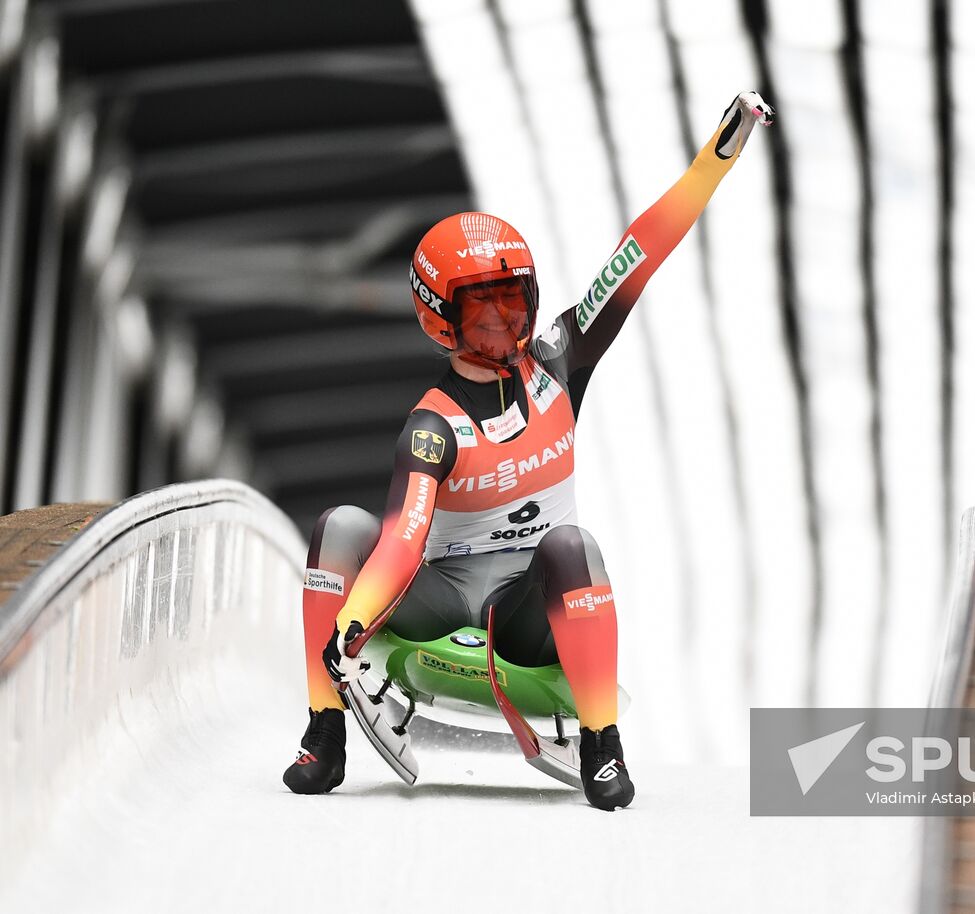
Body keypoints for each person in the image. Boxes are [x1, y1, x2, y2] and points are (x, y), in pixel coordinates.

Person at [281, 91, 773, 811]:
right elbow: (401, 539)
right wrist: (352, 625)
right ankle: (325, 734)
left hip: (526, 605)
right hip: (437, 600)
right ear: (441, 321)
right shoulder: (433, 427)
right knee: (338, 528)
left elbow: (637, 257)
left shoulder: (561, 361)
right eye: (481, 309)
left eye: (513, 300)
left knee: (574, 544)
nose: (503, 323)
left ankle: (604, 745)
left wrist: (714, 162)